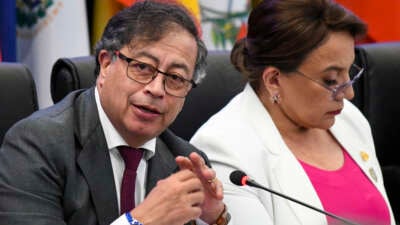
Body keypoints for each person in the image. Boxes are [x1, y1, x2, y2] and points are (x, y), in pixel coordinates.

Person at [0, 1, 231, 225]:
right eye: (142, 67)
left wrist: (215, 219)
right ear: (106, 65)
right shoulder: (37, 145)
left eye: (175, 78)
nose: (157, 89)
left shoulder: (184, 160)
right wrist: (141, 221)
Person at [191, 0, 395, 224]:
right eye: (331, 80)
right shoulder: (223, 150)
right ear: (274, 80)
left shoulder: (348, 119)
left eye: (350, 72)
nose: (349, 95)